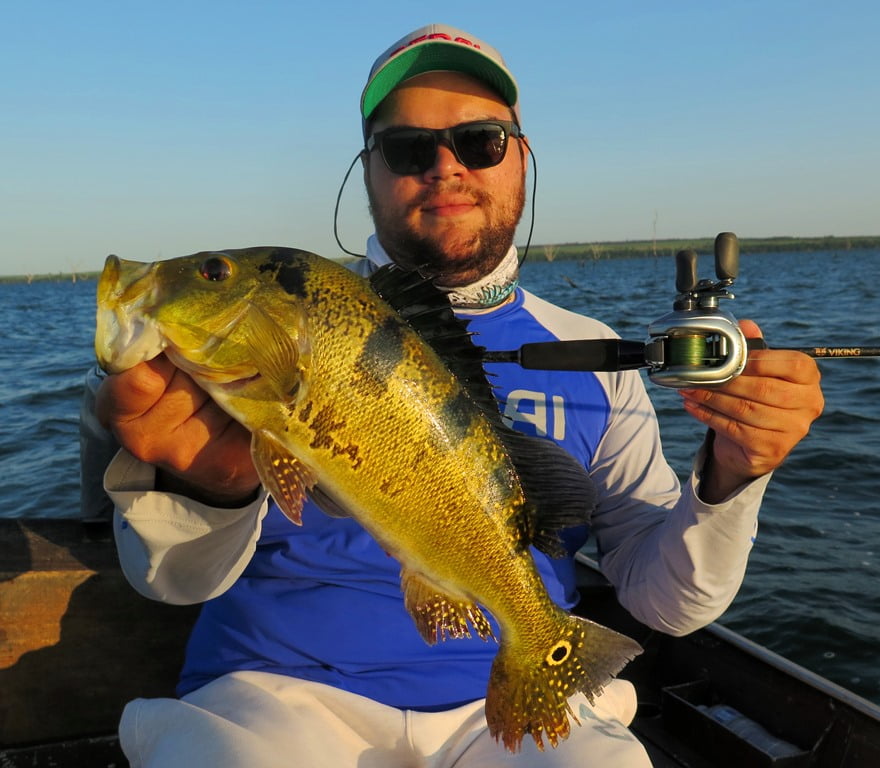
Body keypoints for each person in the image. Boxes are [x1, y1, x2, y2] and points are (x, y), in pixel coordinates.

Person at [90, 23, 824, 767]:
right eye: (408, 149)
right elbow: (170, 579)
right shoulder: (222, 349)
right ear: (368, 171)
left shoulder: (597, 357)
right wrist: (209, 487)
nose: (445, 167)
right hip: (266, 697)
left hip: (511, 706)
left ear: (521, 158)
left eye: (480, 141)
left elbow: (667, 603)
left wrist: (734, 474)